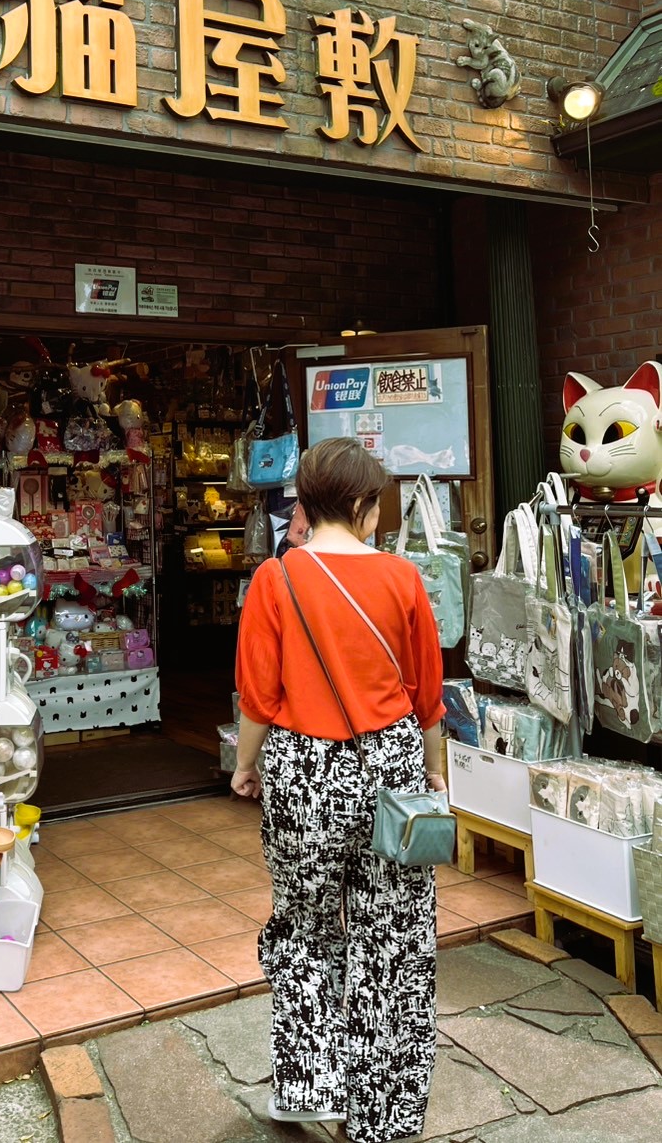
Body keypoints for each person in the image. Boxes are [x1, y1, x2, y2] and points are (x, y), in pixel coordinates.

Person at [232, 437, 446, 1143]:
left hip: (305, 771)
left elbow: (259, 696)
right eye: (376, 502)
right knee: (394, 935)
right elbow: (427, 696)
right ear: (358, 504)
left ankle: (308, 1084)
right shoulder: (403, 578)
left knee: (303, 923)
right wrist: (434, 771)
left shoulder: (275, 578)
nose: (378, 513)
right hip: (391, 767)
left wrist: (245, 765)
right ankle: (383, 1112)